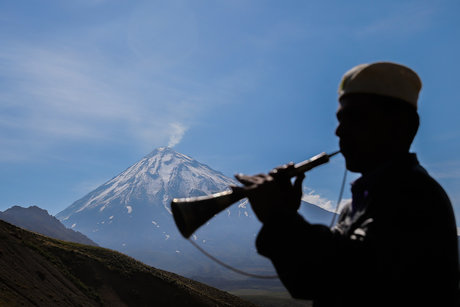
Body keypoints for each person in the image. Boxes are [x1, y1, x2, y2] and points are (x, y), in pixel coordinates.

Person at [235, 62, 459, 307]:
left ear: (400, 126)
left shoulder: (416, 198)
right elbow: (308, 280)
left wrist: (279, 216)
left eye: (355, 118)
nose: (339, 132)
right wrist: (286, 214)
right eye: (340, 119)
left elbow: (346, 277)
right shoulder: (358, 205)